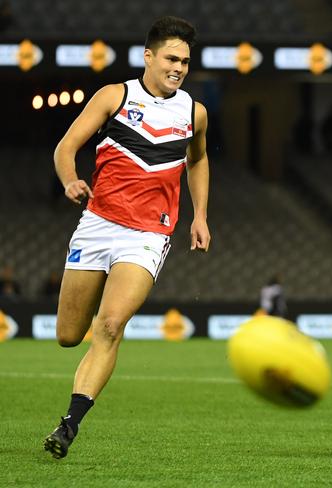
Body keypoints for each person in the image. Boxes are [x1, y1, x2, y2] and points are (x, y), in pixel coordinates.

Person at [43, 16, 211, 459]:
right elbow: (65, 147)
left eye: (186, 62)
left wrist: (200, 216)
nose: (179, 67)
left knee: (111, 324)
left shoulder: (194, 112)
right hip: (97, 225)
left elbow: (198, 160)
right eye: (172, 58)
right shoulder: (115, 96)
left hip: (148, 234)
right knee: (67, 334)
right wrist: (69, 180)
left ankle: (69, 424)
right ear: (148, 56)